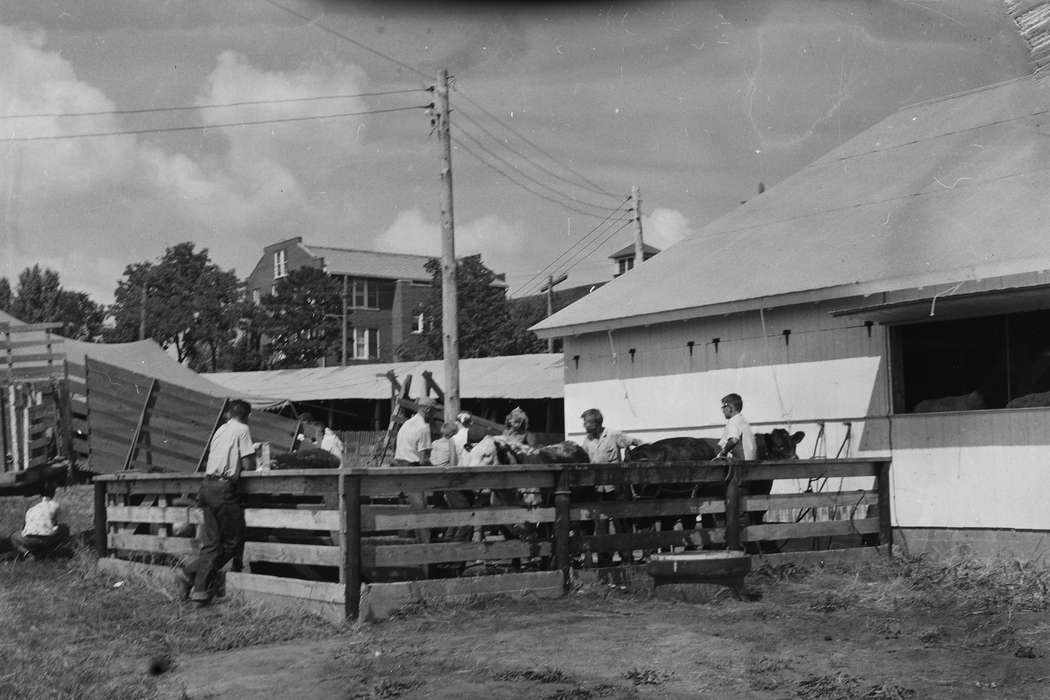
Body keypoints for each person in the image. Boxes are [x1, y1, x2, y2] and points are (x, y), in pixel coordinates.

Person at [179, 399, 256, 605]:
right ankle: (195, 583)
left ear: (229, 414)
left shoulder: (221, 430)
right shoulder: (243, 429)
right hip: (223, 489)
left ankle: (193, 580)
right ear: (247, 416)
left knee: (212, 543)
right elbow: (249, 464)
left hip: (207, 487)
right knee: (233, 542)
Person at [580, 408, 642, 565]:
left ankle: (626, 557)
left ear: (596, 423)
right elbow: (583, 461)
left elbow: (636, 442)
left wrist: (637, 459)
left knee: (621, 524)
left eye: (587, 423)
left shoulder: (613, 435)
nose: (584, 426)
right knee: (601, 525)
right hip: (598, 489)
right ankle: (604, 560)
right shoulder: (587, 441)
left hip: (617, 488)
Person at [11, 481, 69, 558]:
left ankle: (28, 554)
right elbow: (59, 524)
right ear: (53, 494)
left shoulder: (31, 508)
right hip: (47, 539)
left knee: (13, 536)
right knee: (65, 528)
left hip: (29, 540)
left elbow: (23, 528)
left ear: (40, 495)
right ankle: (54, 551)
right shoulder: (55, 505)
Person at [392, 397, 436, 466]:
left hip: (398, 464)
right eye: (434, 411)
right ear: (428, 410)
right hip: (412, 467)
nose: (434, 415)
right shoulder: (423, 427)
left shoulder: (407, 423)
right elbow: (422, 460)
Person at [715, 393, 756, 461]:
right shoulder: (742, 420)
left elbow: (733, 440)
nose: (723, 411)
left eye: (724, 407)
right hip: (749, 461)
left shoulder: (733, 421)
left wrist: (723, 453)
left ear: (731, 407)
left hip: (739, 463)